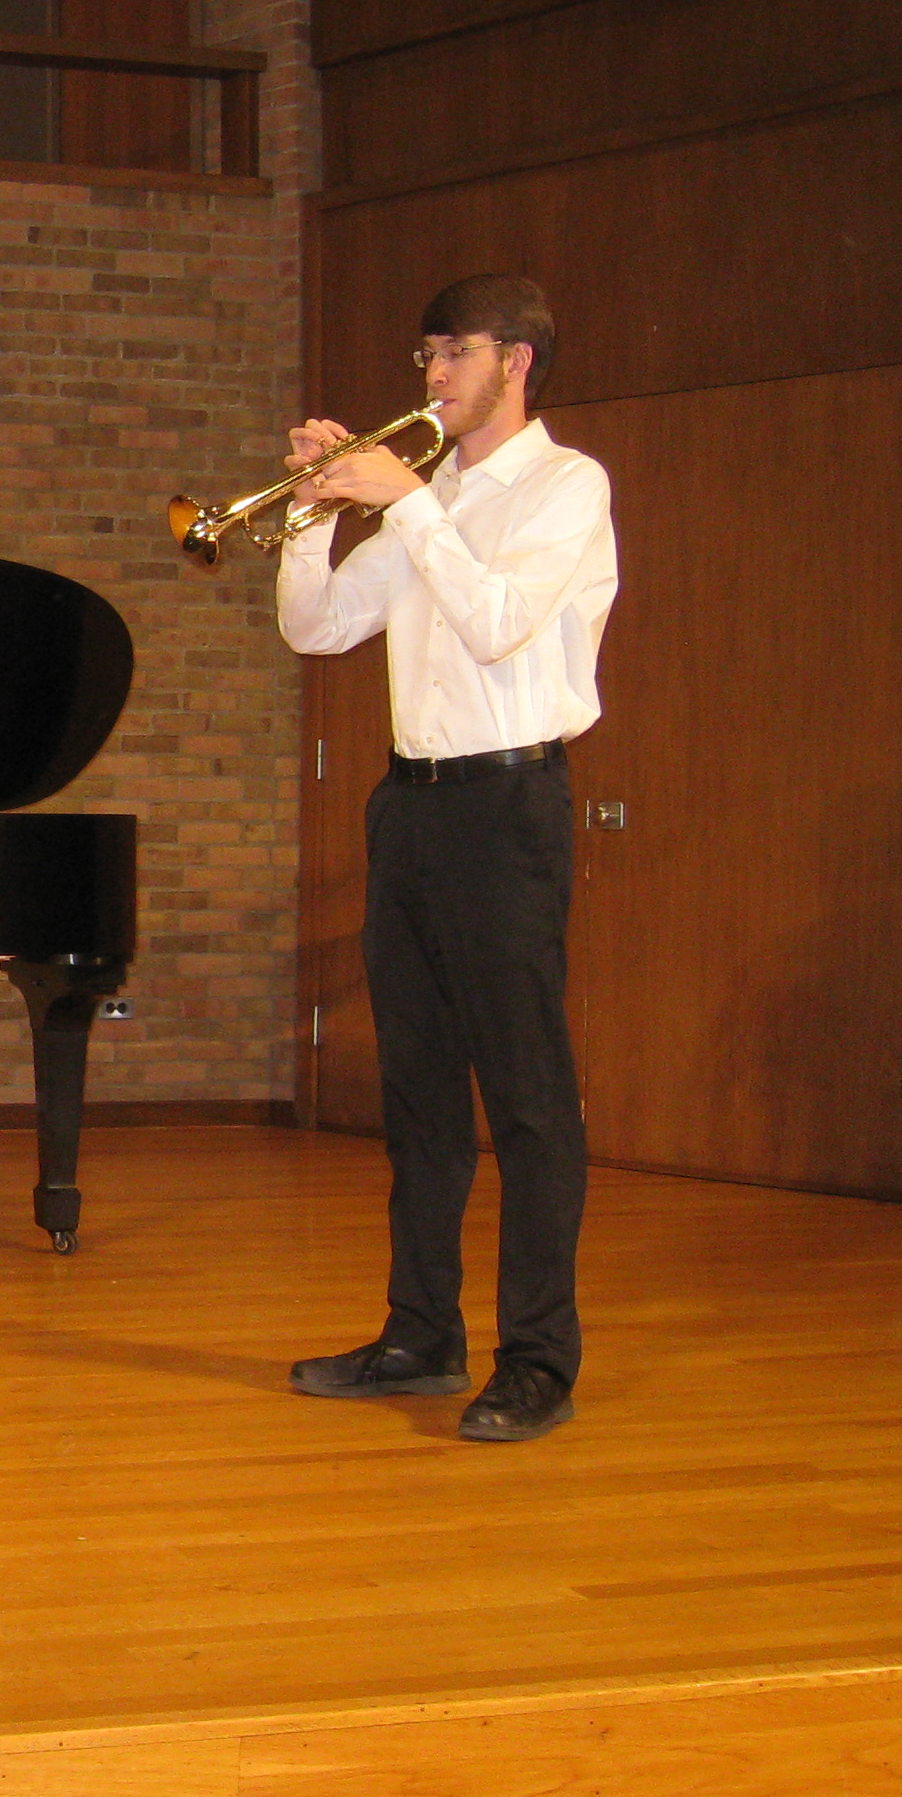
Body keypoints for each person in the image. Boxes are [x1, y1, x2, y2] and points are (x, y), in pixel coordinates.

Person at [273, 275, 617, 1441]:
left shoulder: (567, 488)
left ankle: (539, 1360)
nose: (432, 377)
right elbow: (315, 626)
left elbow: (499, 620)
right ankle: (420, 1335)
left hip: (507, 803)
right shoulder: (436, 494)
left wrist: (409, 503)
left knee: (525, 1097)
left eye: (453, 353)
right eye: (425, 354)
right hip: (409, 808)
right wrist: (316, 507)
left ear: (516, 359)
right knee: (416, 1090)